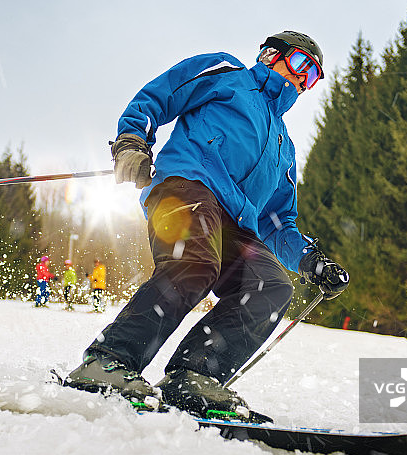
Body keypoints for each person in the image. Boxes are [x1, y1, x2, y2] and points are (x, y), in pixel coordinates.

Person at [65, 31, 349, 420]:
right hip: (187, 185)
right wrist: (132, 139)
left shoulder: (284, 147)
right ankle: (108, 362)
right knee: (195, 263)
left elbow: (279, 221)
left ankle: (195, 375)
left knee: (270, 285)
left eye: (313, 77)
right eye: (302, 65)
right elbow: (161, 94)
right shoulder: (229, 74)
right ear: (270, 55)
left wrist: (309, 260)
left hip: (235, 221)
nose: (304, 80)